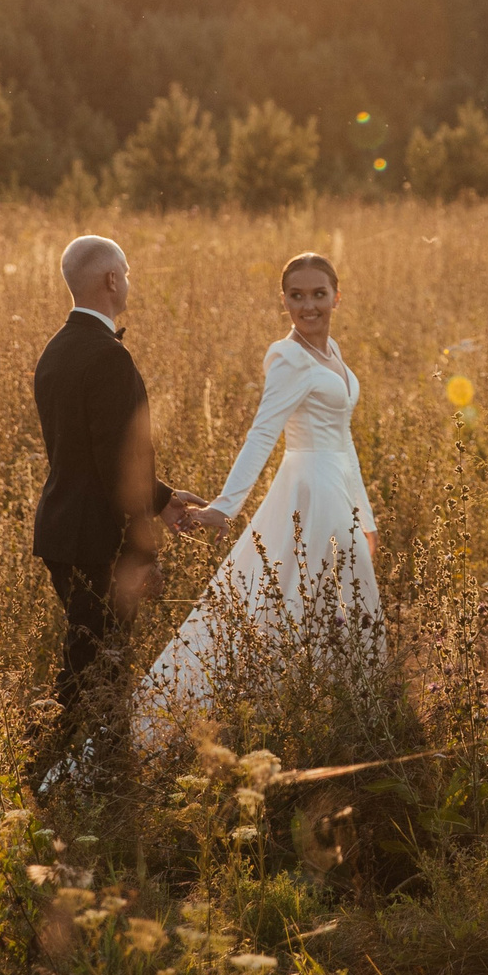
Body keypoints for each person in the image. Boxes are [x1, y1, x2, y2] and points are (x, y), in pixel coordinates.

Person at [139, 251, 384, 729]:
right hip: (307, 492)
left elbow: (344, 440)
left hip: (337, 490)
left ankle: (344, 716)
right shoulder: (289, 357)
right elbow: (262, 434)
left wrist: (367, 518)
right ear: (284, 300)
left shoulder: (331, 355)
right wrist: (226, 507)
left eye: (318, 294)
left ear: (337, 296)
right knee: (296, 598)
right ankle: (286, 715)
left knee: (337, 599)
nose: (308, 305)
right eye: (297, 296)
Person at [30, 234, 204, 780]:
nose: (128, 281)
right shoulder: (108, 358)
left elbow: (90, 458)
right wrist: (141, 554)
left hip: (63, 530)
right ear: (110, 280)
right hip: (94, 539)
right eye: (125, 272)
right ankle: (53, 772)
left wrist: (165, 498)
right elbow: (117, 469)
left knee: (93, 660)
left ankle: (87, 768)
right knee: (96, 668)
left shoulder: (56, 350)